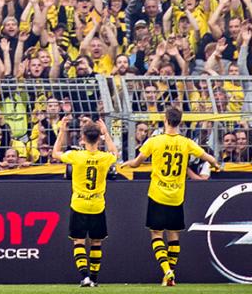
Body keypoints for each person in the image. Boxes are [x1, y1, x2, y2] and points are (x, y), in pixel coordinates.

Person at [120, 105, 212, 287]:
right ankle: (170, 275)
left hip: (157, 194)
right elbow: (208, 157)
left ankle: (166, 270)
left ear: (165, 120)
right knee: (174, 235)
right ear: (180, 121)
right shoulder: (186, 143)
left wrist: (127, 163)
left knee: (156, 234)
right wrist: (216, 163)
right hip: (176, 196)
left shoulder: (155, 141)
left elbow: (138, 163)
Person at [50, 119, 116, 288]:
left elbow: (55, 153)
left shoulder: (76, 156)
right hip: (97, 205)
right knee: (96, 242)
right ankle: (94, 278)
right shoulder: (104, 158)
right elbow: (115, 153)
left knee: (78, 241)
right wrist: (106, 133)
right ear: (98, 138)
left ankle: (85, 277)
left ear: (83, 138)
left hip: (79, 204)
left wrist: (63, 131)